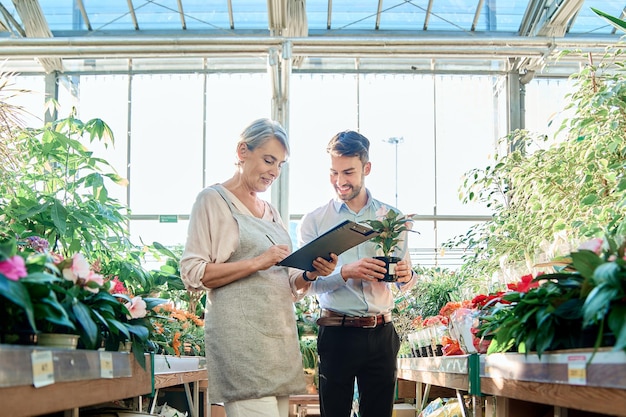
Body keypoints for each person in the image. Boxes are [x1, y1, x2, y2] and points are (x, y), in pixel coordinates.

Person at [179, 118, 337, 417]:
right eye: (268, 160)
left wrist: (310, 273)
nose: (274, 172)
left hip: (277, 341)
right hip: (241, 341)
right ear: (242, 151)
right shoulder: (213, 200)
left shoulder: (271, 211)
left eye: (280, 164)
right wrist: (258, 261)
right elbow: (193, 272)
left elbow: (288, 281)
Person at [298, 130, 417, 417]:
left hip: (382, 334)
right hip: (337, 333)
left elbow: (408, 283)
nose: (340, 181)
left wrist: (405, 276)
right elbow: (306, 286)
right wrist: (346, 272)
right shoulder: (315, 221)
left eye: (348, 172)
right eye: (333, 173)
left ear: (367, 168)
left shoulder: (392, 219)